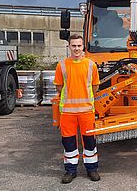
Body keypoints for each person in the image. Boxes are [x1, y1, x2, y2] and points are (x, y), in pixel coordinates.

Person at [54, 34, 100, 184]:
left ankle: (92, 169)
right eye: (73, 45)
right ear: (69, 47)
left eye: (79, 46)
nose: (76, 48)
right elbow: (59, 87)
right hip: (67, 112)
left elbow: (95, 86)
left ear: (83, 47)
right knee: (69, 144)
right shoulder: (61, 65)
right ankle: (70, 171)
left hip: (87, 111)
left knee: (90, 143)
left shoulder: (91, 65)